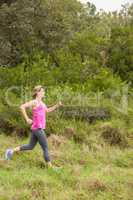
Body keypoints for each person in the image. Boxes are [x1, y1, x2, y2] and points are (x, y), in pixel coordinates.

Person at [5, 85, 63, 168]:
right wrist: (27, 119)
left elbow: (47, 110)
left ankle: (10, 151)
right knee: (45, 148)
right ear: (37, 93)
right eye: (42, 91)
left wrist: (57, 105)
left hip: (36, 128)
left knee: (30, 146)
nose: (44, 93)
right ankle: (51, 167)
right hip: (38, 128)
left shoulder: (42, 103)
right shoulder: (34, 102)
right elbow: (22, 107)